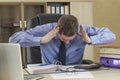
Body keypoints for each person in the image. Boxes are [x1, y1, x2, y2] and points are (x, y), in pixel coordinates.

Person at [9, 15, 116, 65]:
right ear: (57, 29)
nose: (67, 42)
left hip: (75, 73)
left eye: (71, 39)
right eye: (63, 39)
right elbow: (13, 39)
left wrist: (90, 39)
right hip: (48, 73)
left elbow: (111, 35)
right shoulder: (47, 29)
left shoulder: (82, 30)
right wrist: (41, 39)